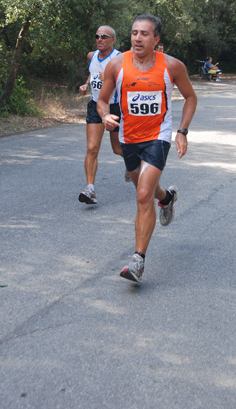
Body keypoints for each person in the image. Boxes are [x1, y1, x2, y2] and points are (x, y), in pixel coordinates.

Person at [97, 15, 197, 283]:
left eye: (144, 34)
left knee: (142, 196)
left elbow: (190, 97)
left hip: (158, 136)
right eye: (134, 33)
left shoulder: (172, 66)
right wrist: (106, 116)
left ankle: (137, 261)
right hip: (129, 137)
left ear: (156, 39)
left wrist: (182, 131)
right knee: (149, 192)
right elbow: (102, 100)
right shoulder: (116, 65)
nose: (137, 38)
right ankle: (166, 197)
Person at [78, 25, 125, 205]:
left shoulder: (119, 58)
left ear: (112, 40)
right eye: (97, 36)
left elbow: (130, 79)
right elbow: (93, 73)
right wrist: (86, 85)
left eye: (104, 36)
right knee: (92, 148)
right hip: (96, 105)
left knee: (117, 149)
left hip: (115, 107)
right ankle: (90, 189)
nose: (99, 39)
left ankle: (132, 164)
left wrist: (113, 77)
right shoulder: (91, 56)